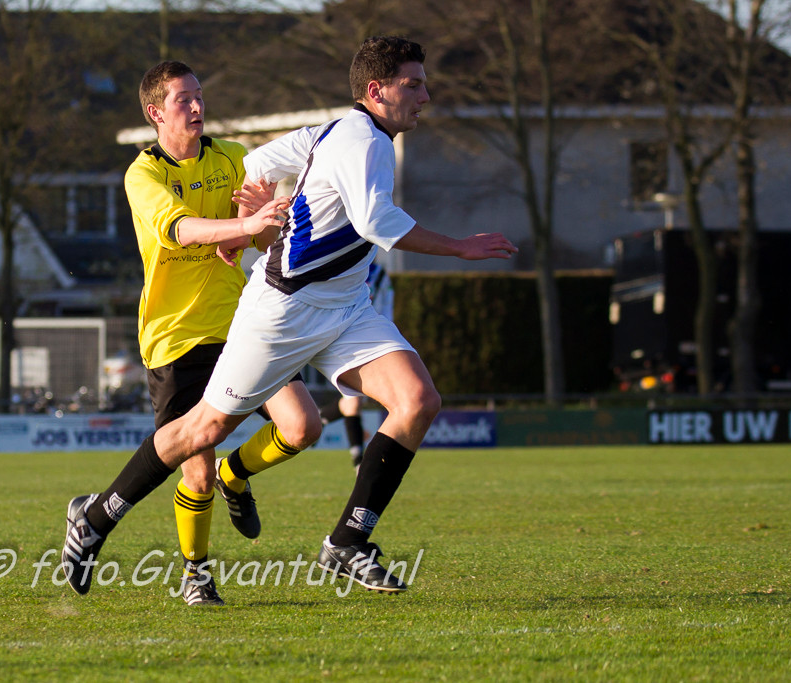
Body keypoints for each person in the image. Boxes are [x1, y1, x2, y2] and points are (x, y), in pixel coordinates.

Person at [62, 35, 516, 597]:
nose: (425, 96)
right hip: (282, 311)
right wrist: (459, 247)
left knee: (417, 400)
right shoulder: (364, 143)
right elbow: (377, 223)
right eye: (414, 85)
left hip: (346, 306)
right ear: (377, 91)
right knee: (204, 431)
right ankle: (96, 517)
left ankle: (348, 540)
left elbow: (257, 162)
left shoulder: (335, 131)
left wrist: (253, 204)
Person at [96, 60, 322, 606]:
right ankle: (195, 574)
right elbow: (180, 229)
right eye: (184, 100)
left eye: (199, 95)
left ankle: (236, 474)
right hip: (174, 336)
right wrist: (244, 226)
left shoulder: (234, 157)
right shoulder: (142, 174)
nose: (197, 107)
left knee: (303, 426)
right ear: (156, 113)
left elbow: (258, 235)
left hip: (239, 322)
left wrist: (263, 222)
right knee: (194, 471)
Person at [319, 260, 394, 473]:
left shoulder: (380, 274)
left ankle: (320, 418)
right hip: (343, 339)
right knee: (353, 401)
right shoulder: (340, 263)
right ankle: (359, 460)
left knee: (352, 401)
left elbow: (387, 307)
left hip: (372, 339)